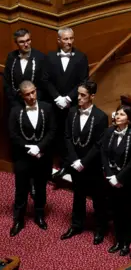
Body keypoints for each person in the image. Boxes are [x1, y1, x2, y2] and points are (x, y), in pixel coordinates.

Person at [60, 80, 109, 245]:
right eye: (78, 94)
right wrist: (74, 160)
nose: (78, 98)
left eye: (83, 95)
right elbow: (67, 137)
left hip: (92, 165)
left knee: (98, 198)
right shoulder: (72, 112)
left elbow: (98, 144)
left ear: (92, 96)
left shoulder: (101, 117)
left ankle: (100, 228)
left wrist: (84, 162)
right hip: (75, 164)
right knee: (78, 195)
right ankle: (76, 225)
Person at [7, 81, 56, 237]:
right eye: (27, 94)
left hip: (42, 156)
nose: (31, 96)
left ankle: (39, 216)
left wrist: (39, 147)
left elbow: (52, 131)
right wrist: (28, 148)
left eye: (33, 92)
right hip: (23, 157)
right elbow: (13, 135)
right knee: (21, 189)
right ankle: (19, 220)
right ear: (22, 95)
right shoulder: (15, 111)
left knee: (41, 187)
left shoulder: (47, 108)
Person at [102, 105, 131, 256]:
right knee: (115, 210)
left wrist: (119, 178)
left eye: (122, 114)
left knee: (125, 212)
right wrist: (110, 175)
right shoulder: (109, 132)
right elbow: (104, 154)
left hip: (127, 181)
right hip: (111, 178)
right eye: (117, 113)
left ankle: (126, 242)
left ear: (128, 119)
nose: (117, 116)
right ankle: (118, 240)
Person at [46, 27, 89, 171]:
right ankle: (53, 164)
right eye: (66, 39)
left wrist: (68, 99)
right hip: (54, 104)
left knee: (69, 135)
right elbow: (46, 80)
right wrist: (57, 98)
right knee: (53, 133)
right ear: (59, 40)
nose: (69, 42)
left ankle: (67, 165)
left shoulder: (81, 57)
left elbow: (83, 82)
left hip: (72, 105)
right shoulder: (50, 57)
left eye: (71, 38)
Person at [3, 29, 48, 109]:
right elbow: (7, 82)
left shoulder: (40, 57)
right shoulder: (11, 56)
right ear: (16, 43)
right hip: (15, 104)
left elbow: (44, 83)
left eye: (28, 40)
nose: (26, 44)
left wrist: (34, 101)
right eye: (22, 42)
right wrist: (13, 102)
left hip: (35, 103)